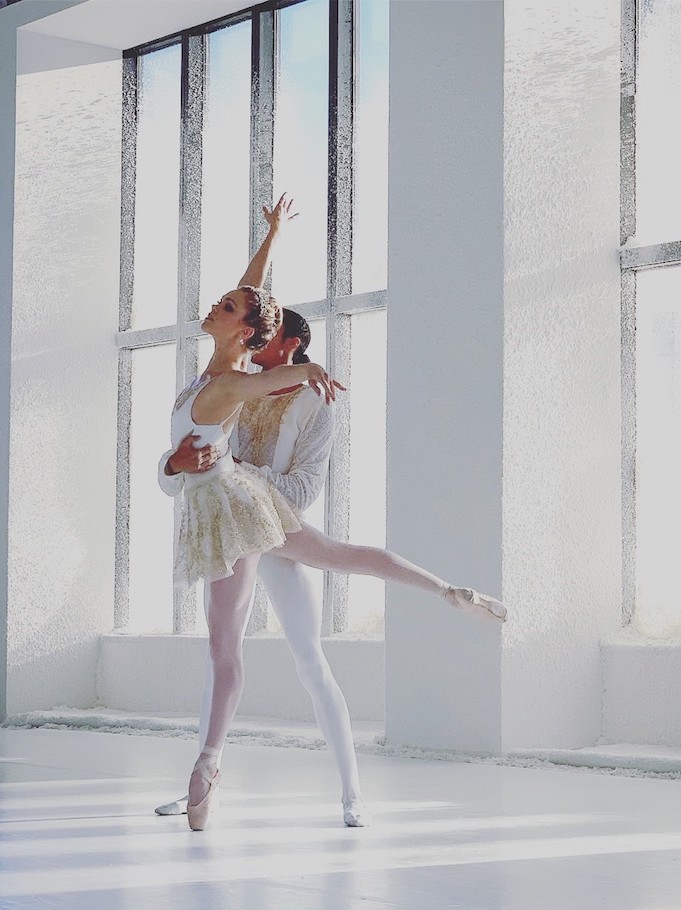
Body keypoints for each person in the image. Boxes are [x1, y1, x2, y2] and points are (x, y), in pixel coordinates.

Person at [163, 198, 506, 832]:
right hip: (226, 504)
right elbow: (251, 299)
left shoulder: (236, 383)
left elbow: (266, 361)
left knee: (260, 645)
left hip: (240, 509)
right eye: (225, 301)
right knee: (294, 592)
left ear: (247, 334)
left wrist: (310, 368)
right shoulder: (217, 371)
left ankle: (214, 769)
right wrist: (269, 237)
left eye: (228, 308)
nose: (217, 304)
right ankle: (445, 589)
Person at [155, 307, 372, 827]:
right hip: (233, 535)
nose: (262, 345)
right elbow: (178, 473)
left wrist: (229, 473)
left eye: (272, 338)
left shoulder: (316, 403)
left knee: (310, 662)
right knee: (219, 657)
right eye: (260, 336)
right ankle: (201, 783)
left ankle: (352, 793)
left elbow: (301, 491)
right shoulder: (233, 383)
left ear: (292, 344)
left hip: (278, 534)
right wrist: (178, 465)